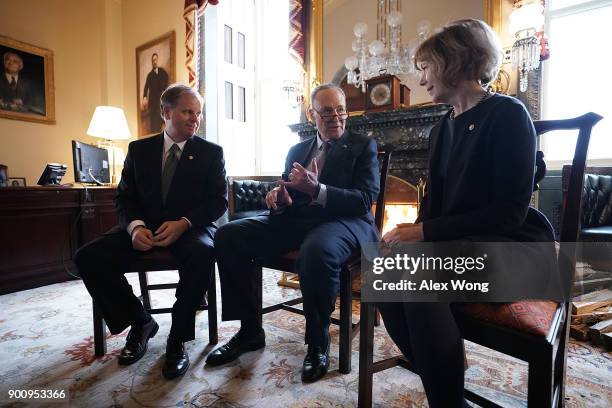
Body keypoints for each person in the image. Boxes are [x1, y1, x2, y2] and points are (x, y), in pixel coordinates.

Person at [378, 19, 557, 407]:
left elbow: (508, 213)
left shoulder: (508, 114)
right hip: (463, 246)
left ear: (453, 61)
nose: (420, 78)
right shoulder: (443, 127)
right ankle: (446, 385)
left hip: (515, 248)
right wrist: (408, 231)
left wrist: (423, 236)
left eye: (425, 67)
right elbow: (435, 206)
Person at [208, 84, 380, 383]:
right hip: (297, 221)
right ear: (312, 114)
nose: (335, 117)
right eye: (326, 111)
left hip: (345, 222)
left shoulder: (363, 146)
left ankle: (317, 344)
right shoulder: (297, 150)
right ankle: (250, 330)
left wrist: (318, 189)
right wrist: (280, 200)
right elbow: (290, 195)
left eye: (340, 109)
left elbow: (364, 199)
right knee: (228, 236)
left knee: (317, 251)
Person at [75, 84, 227, 380]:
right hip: (144, 228)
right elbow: (124, 198)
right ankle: (140, 321)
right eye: (187, 111)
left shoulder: (211, 153)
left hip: (190, 228)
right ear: (166, 111)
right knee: (87, 257)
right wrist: (134, 227)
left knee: (203, 253)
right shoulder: (138, 150)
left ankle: (177, 340)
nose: (195, 119)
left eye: (198, 113)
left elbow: (218, 201)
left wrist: (183, 222)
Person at [141, 53, 169, 134]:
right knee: (153, 118)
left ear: (157, 60)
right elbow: (146, 87)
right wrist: (144, 97)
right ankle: (154, 133)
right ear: (152, 62)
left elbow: (166, 78)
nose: (154, 62)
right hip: (152, 100)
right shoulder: (149, 75)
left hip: (160, 98)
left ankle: (161, 131)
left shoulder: (162, 71)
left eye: (155, 60)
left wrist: (164, 89)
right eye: (153, 60)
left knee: (160, 115)